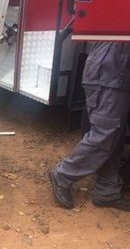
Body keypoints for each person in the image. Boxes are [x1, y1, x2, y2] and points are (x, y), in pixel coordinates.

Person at [49, 42, 130, 211]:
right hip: (110, 72)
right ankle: (63, 174)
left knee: (115, 135)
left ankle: (107, 190)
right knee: (105, 133)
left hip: (116, 73)